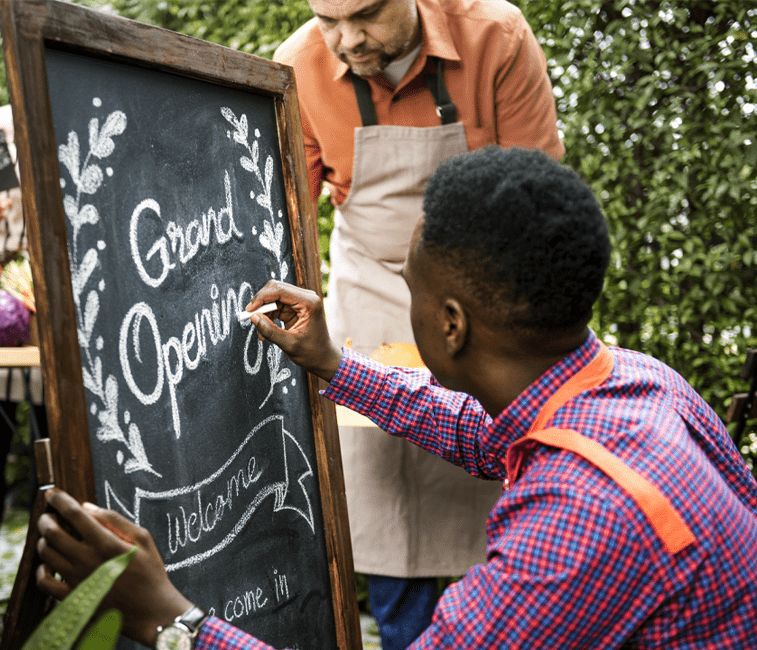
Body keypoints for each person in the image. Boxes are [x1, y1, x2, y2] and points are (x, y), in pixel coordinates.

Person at [36, 146, 757, 648]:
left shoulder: (578, 523)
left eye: (409, 289)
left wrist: (168, 620)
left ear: (449, 324)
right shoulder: (638, 383)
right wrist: (334, 363)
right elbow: (480, 430)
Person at [273, 1, 564, 643]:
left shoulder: (495, 36)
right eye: (327, 19)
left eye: (367, 14)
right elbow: (285, 217)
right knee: (388, 508)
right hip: (372, 294)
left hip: (482, 296)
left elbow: (539, 194)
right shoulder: (296, 66)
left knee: (496, 486)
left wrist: (505, 322)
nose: (346, 39)